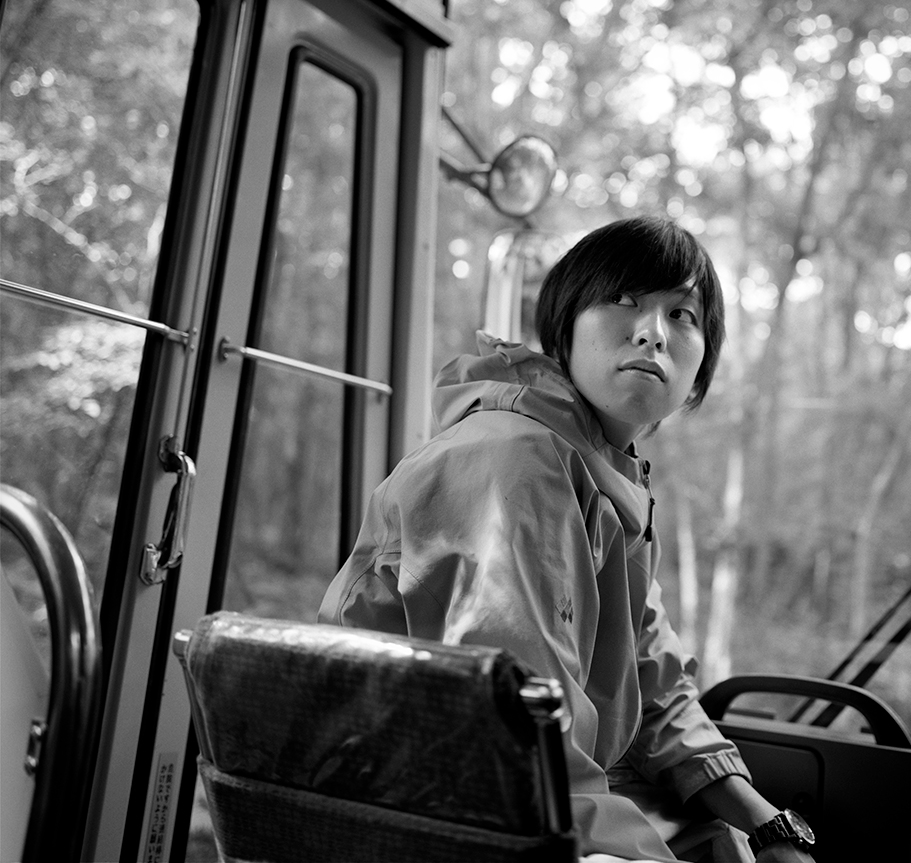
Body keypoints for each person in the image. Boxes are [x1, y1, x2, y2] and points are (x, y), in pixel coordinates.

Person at [319, 216, 814, 863]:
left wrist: (767, 824)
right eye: (622, 299)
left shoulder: (606, 478)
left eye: (682, 315)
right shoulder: (512, 462)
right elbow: (519, 738)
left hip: (516, 796)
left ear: (701, 368)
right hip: (417, 815)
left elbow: (653, 680)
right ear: (563, 327)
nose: (652, 332)